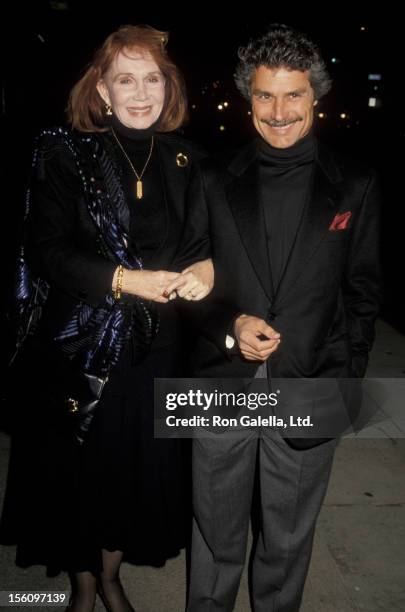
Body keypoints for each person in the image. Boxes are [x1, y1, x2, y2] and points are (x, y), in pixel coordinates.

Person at [0, 24, 213, 612]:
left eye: (152, 79)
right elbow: (46, 251)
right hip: (82, 344)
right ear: (102, 89)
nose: (140, 93)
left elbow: (207, 243)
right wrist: (124, 280)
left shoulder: (189, 159)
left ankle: (111, 575)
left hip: (158, 349)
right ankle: (84, 585)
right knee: (77, 473)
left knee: (130, 476)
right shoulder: (64, 152)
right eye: (126, 79)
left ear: (169, 88)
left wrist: (207, 270)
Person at [174, 24, 382, 612]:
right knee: (215, 533)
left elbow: (363, 294)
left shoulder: (357, 185)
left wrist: (347, 380)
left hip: (313, 380)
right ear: (248, 99)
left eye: (294, 95)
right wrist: (230, 325)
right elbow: (190, 280)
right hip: (221, 380)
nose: (280, 111)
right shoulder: (213, 178)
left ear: (315, 96)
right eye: (265, 95)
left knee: (287, 540)